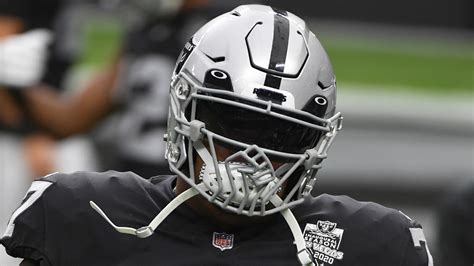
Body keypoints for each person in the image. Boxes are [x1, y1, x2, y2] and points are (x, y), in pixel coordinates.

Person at [1, 5, 433, 265]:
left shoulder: (375, 244)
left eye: (281, 133)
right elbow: (72, 117)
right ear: (183, 107)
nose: (253, 155)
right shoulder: (84, 211)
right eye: (233, 123)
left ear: (314, 143)